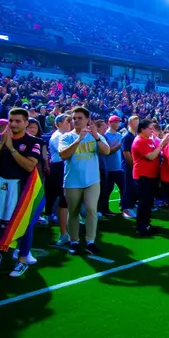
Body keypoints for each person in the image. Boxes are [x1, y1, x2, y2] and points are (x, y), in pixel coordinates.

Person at [0, 108, 41, 277]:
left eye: (17, 121)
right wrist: (1, 144)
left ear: (26, 123)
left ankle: (22, 259)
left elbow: (29, 166)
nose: (13, 124)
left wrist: (11, 149)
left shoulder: (33, 141)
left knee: (23, 224)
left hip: (21, 187)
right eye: (10, 120)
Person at [59, 106, 110, 255]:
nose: (76, 121)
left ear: (87, 120)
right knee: (73, 212)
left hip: (92, 181)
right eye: (74, 118)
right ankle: (74, 240)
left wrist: (96, 136)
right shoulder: (66, 137)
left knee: (91, 210)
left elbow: (106, 151)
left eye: (80, 118)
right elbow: (63, 155)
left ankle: (90, 241)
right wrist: (78, 139)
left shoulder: (95, 136)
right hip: (72, 181)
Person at [131, 120, 169, 236]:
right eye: (150, 128)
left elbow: (158, 152)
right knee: (144, 202)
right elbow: (151, 156)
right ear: (142, 129)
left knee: (149, 202)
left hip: (151, 175)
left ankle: (147, 224)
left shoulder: (149, 140)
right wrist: (162, 144)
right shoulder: (139, 141)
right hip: (143, 175)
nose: (152, 131)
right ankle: (141, 227)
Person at [46, 114, 71, 245]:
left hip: (63, 166)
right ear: (58, 124)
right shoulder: (58, 137)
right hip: (59, 167)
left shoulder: (65, 136)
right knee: (61, 194)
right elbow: (66, 152)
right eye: (66, 122)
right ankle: (51, 215)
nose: (69, 125)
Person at [103, 115, 125, 215]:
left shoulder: (119, 135)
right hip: (109, 167)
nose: (117, 123)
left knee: (123, 187)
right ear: (110, 123)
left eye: (117, 121)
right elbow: (108, 151)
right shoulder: (106, 136)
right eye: (114, 121)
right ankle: (105, 209)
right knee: (107, 189)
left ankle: (123, 205)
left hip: (118, 166)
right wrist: (119, 145)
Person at [121, 115, 139, 219]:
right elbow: (126, 153)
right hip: (128, 167)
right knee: (128, 187)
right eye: (135, 123)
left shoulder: (134, 136)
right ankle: (126, 208)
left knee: (133, 187)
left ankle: (131, 205)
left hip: (134, 167)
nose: (137, 125)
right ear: (129, 124)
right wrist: (134, 165)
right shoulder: (127, 137)